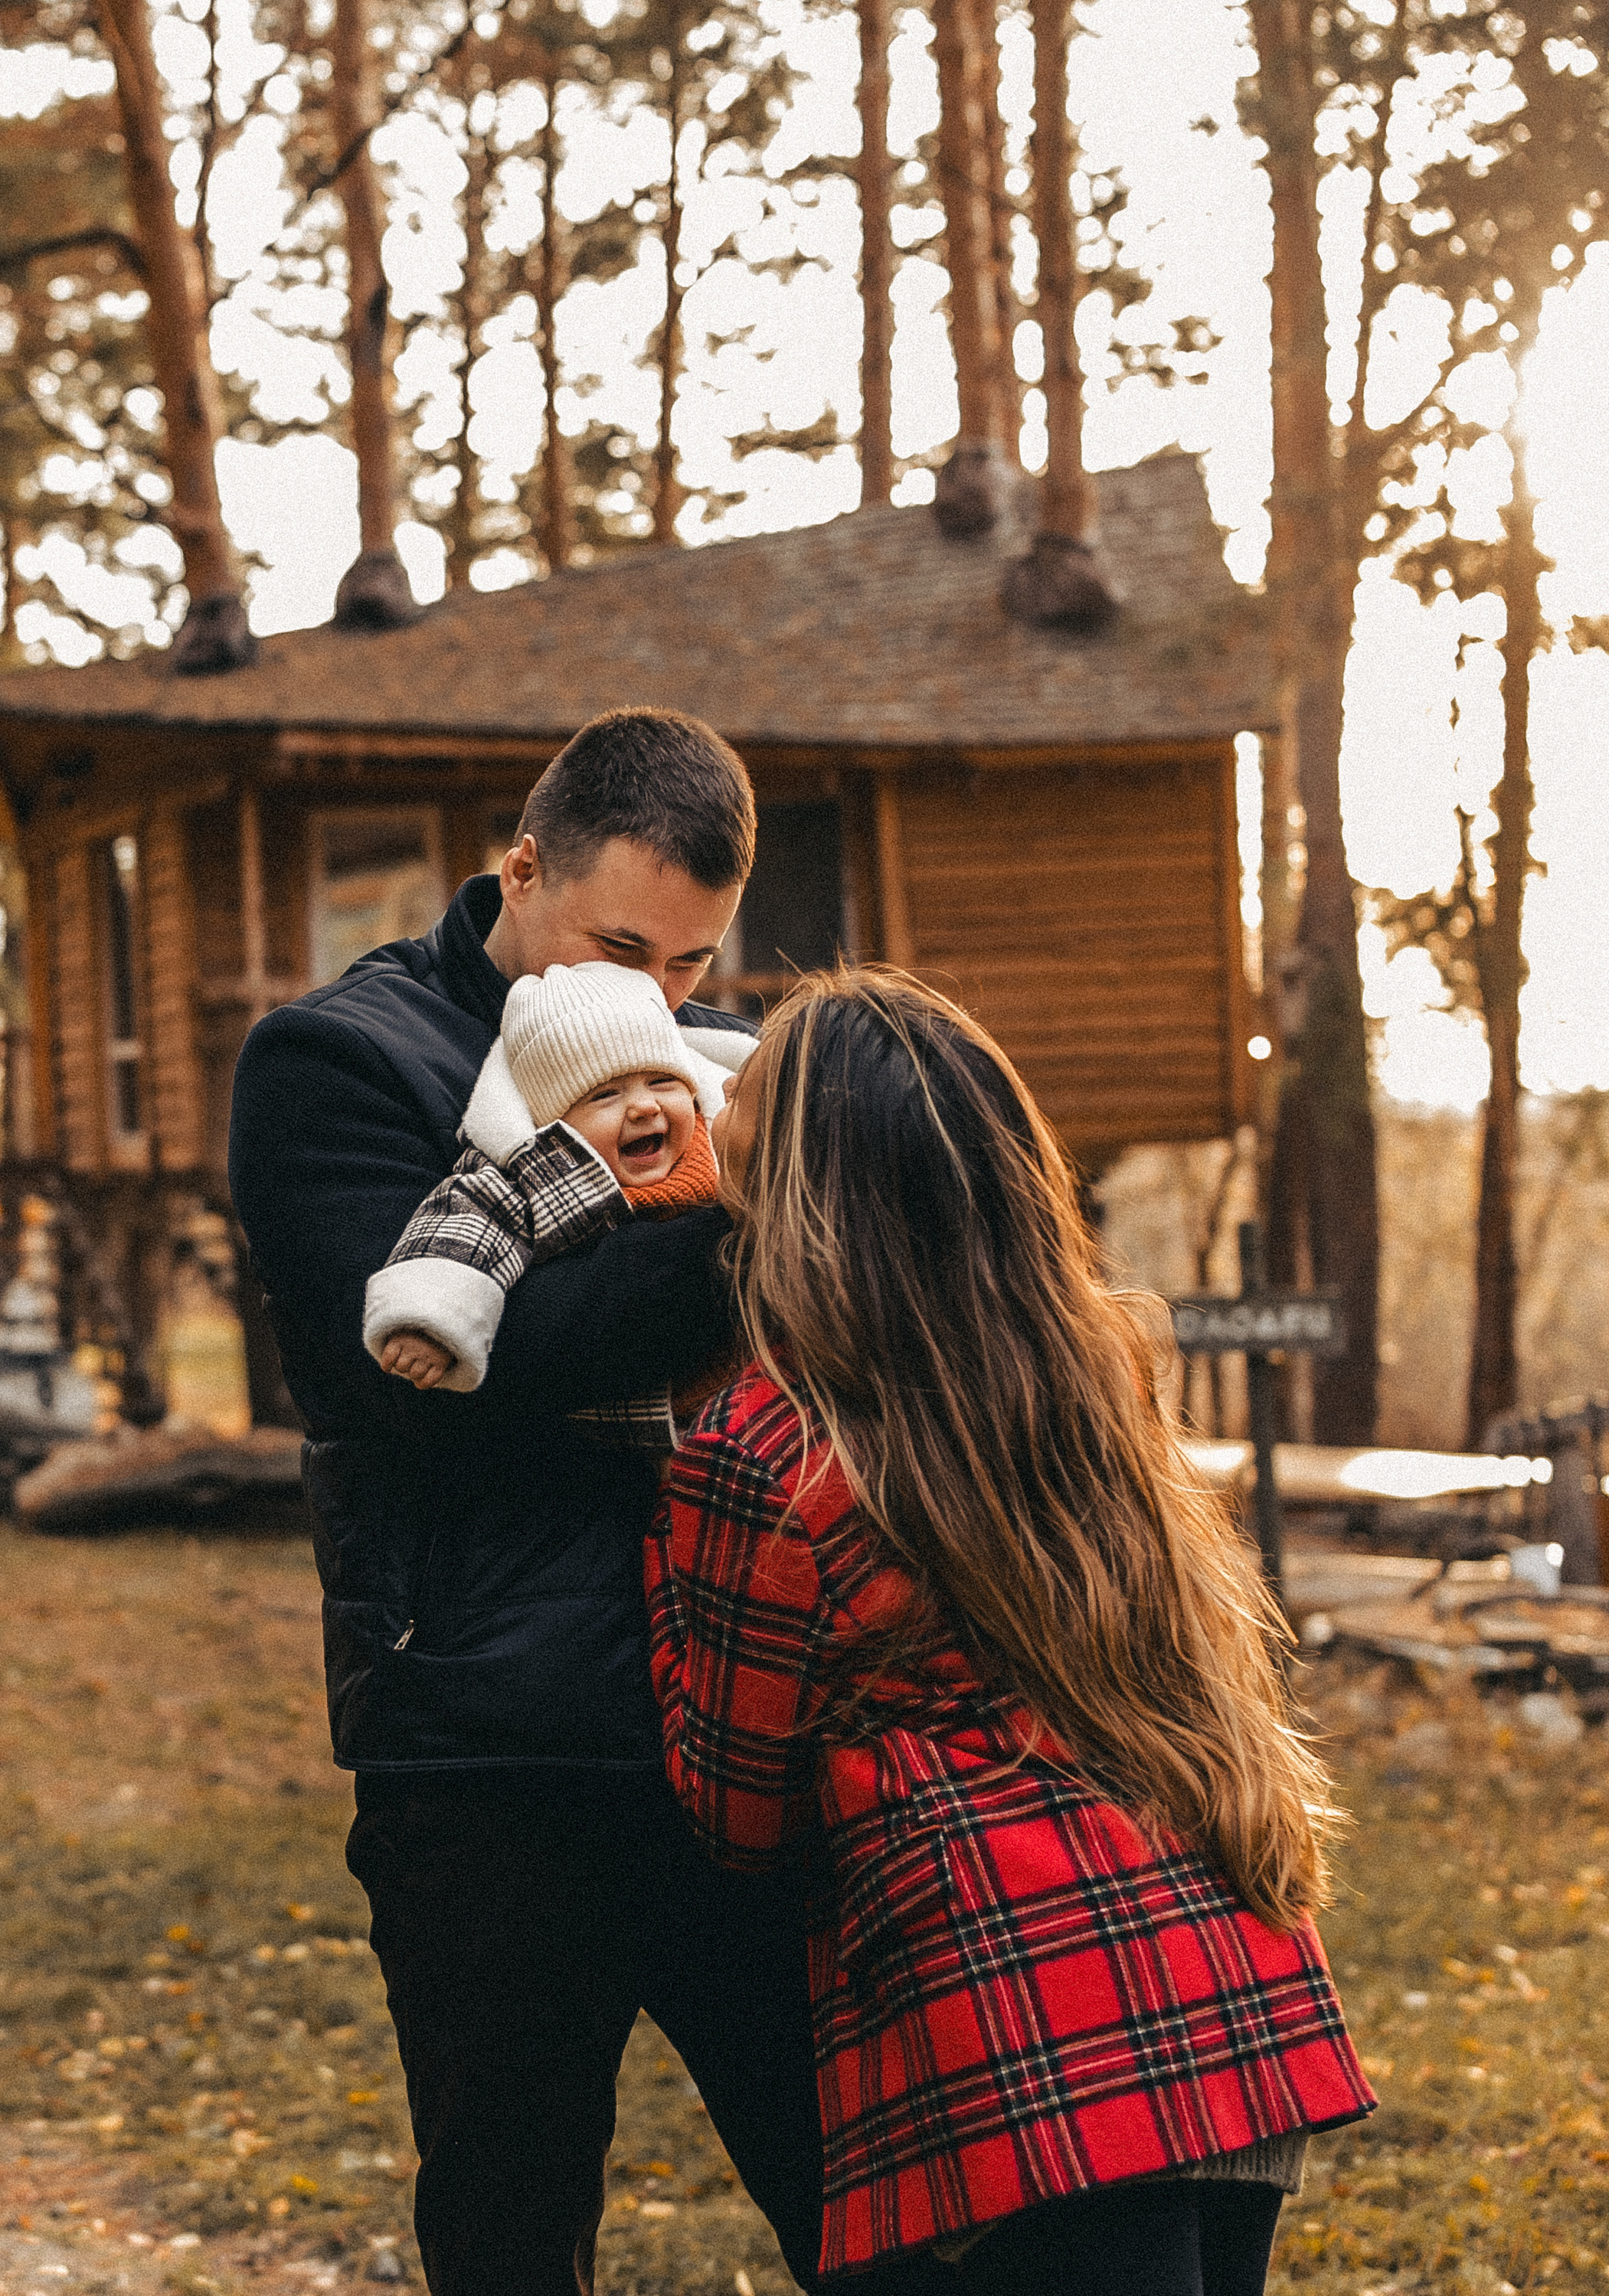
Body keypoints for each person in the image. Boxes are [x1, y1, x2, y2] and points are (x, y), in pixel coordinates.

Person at [646, 969, 1374, 2295]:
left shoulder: (767, 1450)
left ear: (801, 1170)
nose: (710, 1094)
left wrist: (657, 1554)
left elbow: (734, 1810)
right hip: (1223, 1974)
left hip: (1024, 2038)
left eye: (739, 1090)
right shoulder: (1090, 1364)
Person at [227, 708, 825, 2296]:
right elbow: (422, 1374)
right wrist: (742, 1240)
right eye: (623, 942)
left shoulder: (722, 1065)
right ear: (520, 867)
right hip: (488, 1753)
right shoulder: (338, 1062)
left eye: (693, 963)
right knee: (510, 2230)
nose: (657, 994)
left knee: (861, 2191)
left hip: (739, 1718)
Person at [365, 959, 738, 1394]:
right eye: (605, 1095)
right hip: (634, 1410)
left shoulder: (722, 1141)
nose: (644, 1106)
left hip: (750, 1390)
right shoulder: (531, 1176)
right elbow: (461, 1234)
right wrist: (426, 1322)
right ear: (554, 1122)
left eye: (661, 1082)